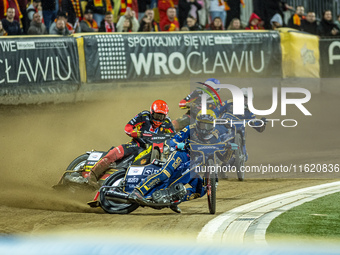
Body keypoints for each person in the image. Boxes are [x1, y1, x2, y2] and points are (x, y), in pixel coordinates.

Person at [128, 110, 238, 213]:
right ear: (197, 123)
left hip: (195, 166)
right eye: (202, 125)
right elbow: (173, 140)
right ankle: (138, 191)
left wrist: (230, 150)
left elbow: (223, 158)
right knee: (164, 174)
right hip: (182, 155)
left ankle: (174, 200)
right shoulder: (190, 129)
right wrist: (178, 144)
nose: (204, 129)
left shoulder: (215, 137)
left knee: (199, 190)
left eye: (208, 125)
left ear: (213, 125)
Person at [87, 100, 175, 188]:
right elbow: (128, 127)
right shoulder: (144, 116)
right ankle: (93, 175)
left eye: (162, 116)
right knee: (117, 152)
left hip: (152, 149)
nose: (158, 119)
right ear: (152, 112)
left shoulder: (167, 122)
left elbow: (175, 136)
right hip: (136, 144)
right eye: (157, 116)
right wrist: (135, 133)